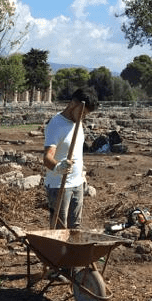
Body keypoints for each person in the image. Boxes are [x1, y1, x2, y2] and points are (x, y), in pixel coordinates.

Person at [43, 87, 99, 229]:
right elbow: (47, 158)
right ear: (73, 104)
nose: (83, 117)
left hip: (77, 184)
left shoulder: (78, 123)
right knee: (59, 229)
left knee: (75, 228)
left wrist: (81, 172)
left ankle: (72, 252)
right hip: (59, 186)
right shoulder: (56, 124)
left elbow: (76, 153)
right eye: (83, 112)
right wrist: (58, 166)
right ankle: (55, 252)